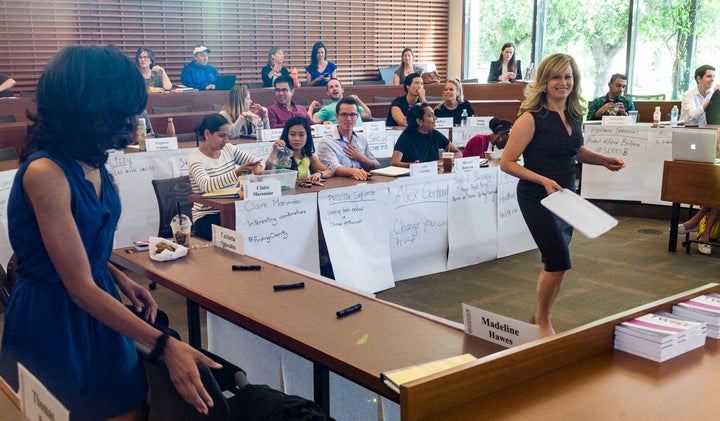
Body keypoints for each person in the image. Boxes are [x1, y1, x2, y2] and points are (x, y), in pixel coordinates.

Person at [0, 45, 221, 420]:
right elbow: (76, 284)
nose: (136, 115)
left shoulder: (94, 164)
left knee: (126, 402)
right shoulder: (46, 173)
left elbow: (86, 250)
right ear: (92, 107)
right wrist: (165, 346)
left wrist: (118, 276)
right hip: (54, 319)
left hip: (99, 302)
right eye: (126, 106)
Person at [499, 53, 625, 338]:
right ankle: (542, 320)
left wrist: (602, 159)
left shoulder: (573, 114)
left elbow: (574, 150)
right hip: (538, 197)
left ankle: (541, 316)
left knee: (557, 265)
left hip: (567, 196)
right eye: (556, 77)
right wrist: (543, 180)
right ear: (544, 82)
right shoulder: (530, 118)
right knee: (558, 261)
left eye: (568, 77)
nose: (563, 82)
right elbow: (507, 163)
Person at [188, 114, 265, 240]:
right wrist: (237, 172)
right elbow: (206, 185)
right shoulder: (195, 158)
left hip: (232, 209)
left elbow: (256, 160)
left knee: (258, 230)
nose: (226, 140)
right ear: (207, 134)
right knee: (237, 239)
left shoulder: (228, 149)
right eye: (221, 136)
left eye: (227, 135)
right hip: (207, 215)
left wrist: (257, 166)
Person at [318, 97, 380, 180]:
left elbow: (376, 165)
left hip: (361, 183)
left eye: (352, 115)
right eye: (344, 114)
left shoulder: (362, 138)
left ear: (357, 116)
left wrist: (362, 158)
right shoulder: (326, 142)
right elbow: (334, 168)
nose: (348, 119)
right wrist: (353, 171)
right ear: (337, 116)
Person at [390, 103, 461, 168]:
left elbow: (458, 153)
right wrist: (411, 165)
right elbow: (394, 162)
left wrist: (442, 161)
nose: (435, 118)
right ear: (419, 121)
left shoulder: (435, 134)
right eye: (430, 115)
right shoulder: (406, 136)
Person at [266, 116, 333, 184]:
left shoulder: (309, 156)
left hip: (302, 192)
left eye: (301, 135)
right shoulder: (280, 153)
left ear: (307, 136)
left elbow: (329, 171)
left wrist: (319, 174)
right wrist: (274, 152)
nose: (297, 139)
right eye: (292, 134)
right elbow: (266, 173)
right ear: (287, 135)